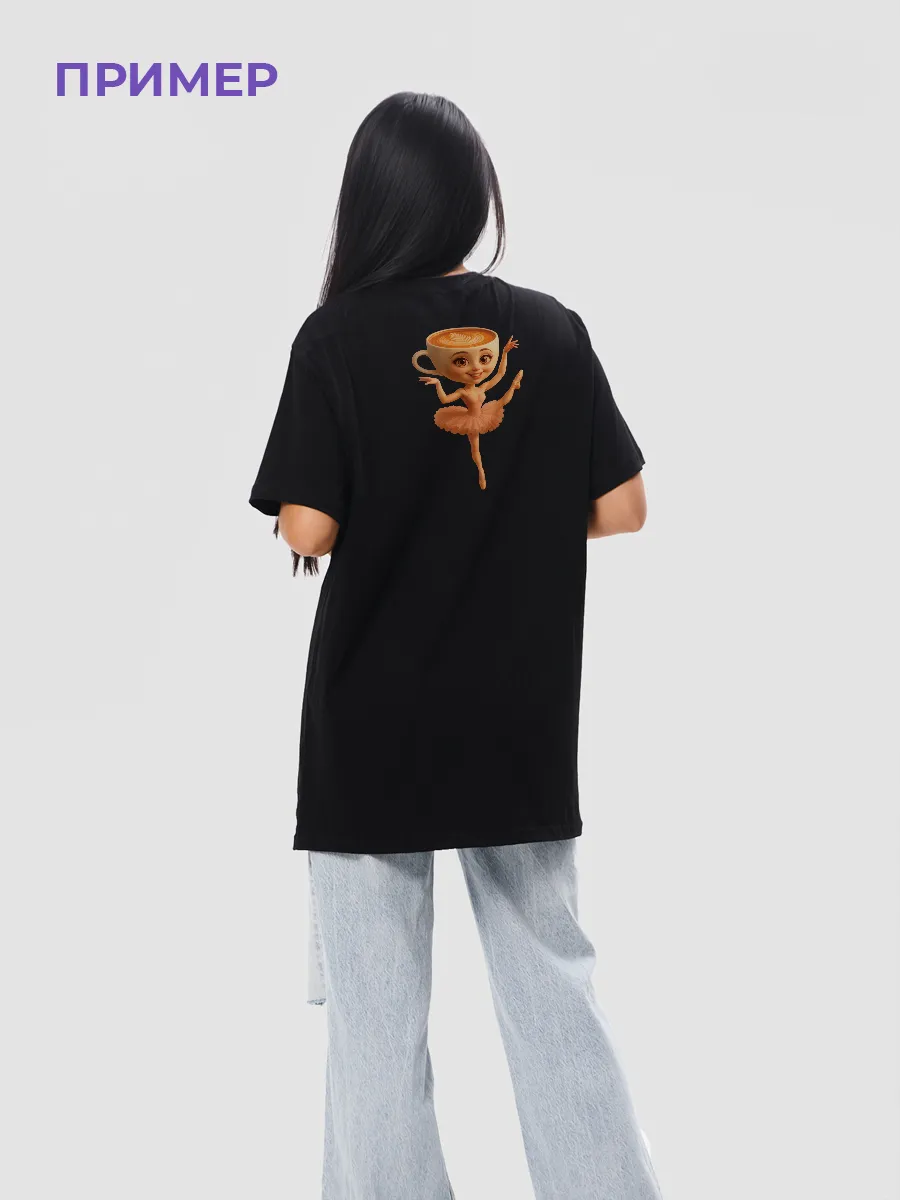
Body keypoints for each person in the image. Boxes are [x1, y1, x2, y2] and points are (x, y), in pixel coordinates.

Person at [249, 91, 663, 1200]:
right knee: (553, 982)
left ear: (370, 203)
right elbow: (623, 507)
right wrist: (511, 516)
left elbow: (308, 530)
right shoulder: (552, 329)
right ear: (474, 199)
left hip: (374, 717)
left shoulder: (336, 338)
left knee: (377, 1017)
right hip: (519, 709)